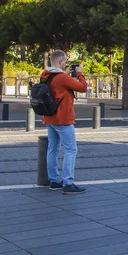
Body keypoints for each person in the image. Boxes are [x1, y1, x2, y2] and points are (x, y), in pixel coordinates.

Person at [40, 50, 88, 195]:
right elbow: (83, 88)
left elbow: (58, 89)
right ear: (60, 61)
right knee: (71, 149)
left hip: (50, 118)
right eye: (65, 61)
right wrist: (79, 73)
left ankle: (54, 181)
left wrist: (65, 74)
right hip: (63, 118)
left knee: (53, 149)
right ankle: (68, 182)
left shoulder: (45, 75)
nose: (66, 63)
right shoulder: (61, 77)